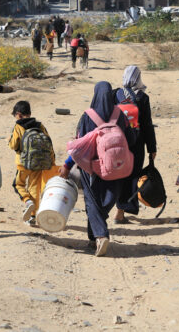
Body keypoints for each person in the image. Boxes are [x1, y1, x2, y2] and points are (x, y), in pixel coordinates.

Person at [57, 82, 136, 257]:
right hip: (117, 166)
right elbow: (131, 140)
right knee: (107, 201)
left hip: (92, 167)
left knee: (92, 202)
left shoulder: (88, 116)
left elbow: (79, 145)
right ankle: (93, 238)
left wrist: (68, 165)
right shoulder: (120, 115)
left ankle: (101, 235)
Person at [113, 66, 157, 223]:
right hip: (136, 144)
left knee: (118, 174)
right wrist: (152, 148)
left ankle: (116, 208)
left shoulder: (116, 94)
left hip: (117, 143)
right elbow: (147, 125)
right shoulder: (142, 98)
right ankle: (121, 211)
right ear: (138, 78)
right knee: (132, 176)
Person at [9, 100, 55, 227]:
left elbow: (14, 145)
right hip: (39, 163)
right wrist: (52, 162)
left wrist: (10, 141)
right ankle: (33, 216)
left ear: (18, 114)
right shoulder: (40, 126)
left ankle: (27, 201)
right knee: (34, 187)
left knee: (18, 184)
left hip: (23, 164)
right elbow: (49, 143)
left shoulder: (18, 126)